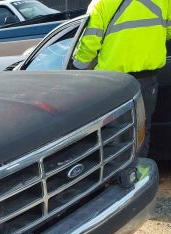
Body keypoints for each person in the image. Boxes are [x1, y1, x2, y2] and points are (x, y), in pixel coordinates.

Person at [72, 0, 171, 156]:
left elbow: (89, 44)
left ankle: (115, 176)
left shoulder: (101, 3)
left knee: (113, 134)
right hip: (148, 79)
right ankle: (137, 172)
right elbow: (168, 32)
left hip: (112, 83)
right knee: (142, 130)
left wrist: (76, 68)